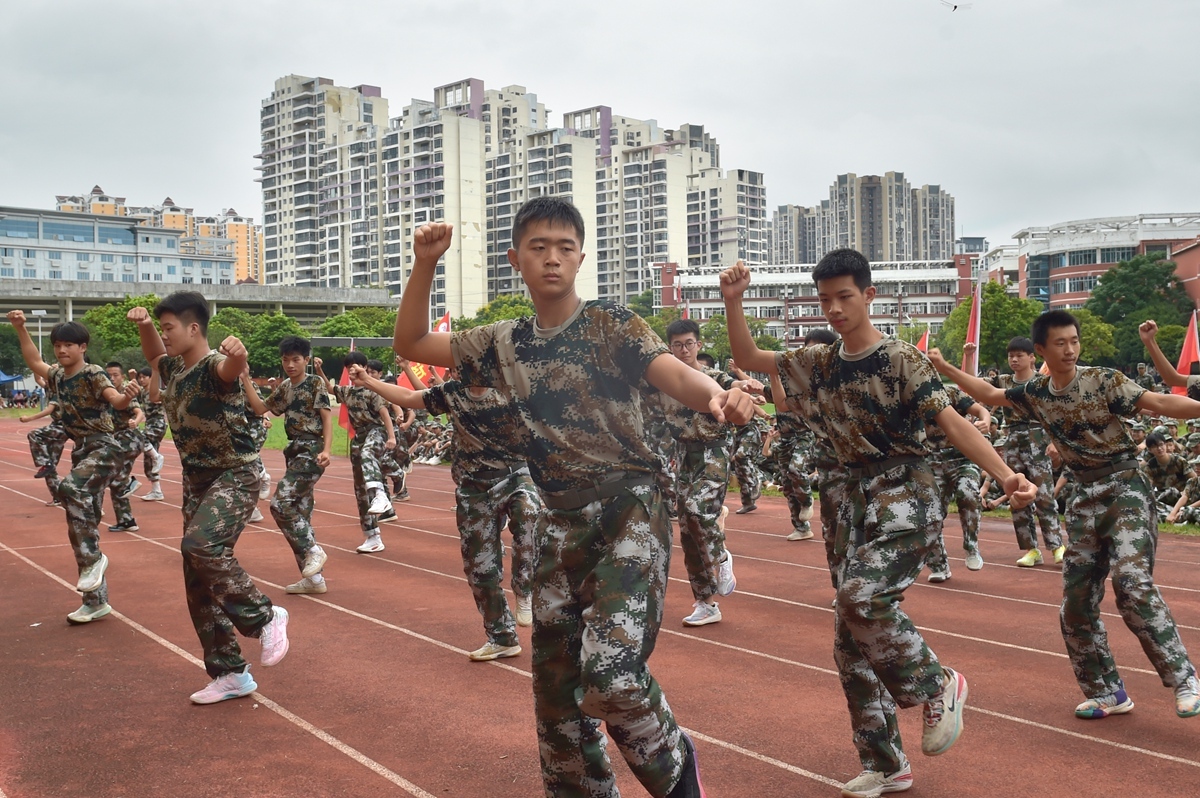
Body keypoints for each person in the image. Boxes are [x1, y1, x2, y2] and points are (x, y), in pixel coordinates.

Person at [394, 197, 753, 798]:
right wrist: (425, 264)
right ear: (515, 259)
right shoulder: (502, 342)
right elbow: (412, 342)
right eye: (538, 248)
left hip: (628, 510)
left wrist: (716, 397)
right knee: (558, 700)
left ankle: (676, 772)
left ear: (582, 257)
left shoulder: (612, 324)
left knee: (611, 677)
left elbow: (675, 374)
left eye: (564, 247)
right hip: (558, 524)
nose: (552, 259)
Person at [720, 251, 1035, 798]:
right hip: (845, 498)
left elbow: (953, 422)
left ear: (868, 296)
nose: (835, 308)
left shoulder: (900, 360)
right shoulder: (817, 361)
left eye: (845, 297)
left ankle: (938, 682)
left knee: (861, 600)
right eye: (825, 300)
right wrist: (733, 300)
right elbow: (748, 354)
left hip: (903, 492)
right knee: (850, 641)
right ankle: (886, 764)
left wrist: (1006, 475)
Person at [930, 310, 1200, 720]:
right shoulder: (1036, 391)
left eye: (1074, 341)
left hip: (1125, 486)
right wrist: (945, 367)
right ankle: (1107, 691)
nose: (1070, 349)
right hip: (1082, 496)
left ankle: (1184, 679)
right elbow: (988, 396)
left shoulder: (1103, 380)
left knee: (1130, 584)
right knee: (1075, 603)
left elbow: (1159, 401)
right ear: (1041, 349)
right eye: (1060, 343)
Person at [128, 292, 290, 705]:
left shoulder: (212, 366)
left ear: (194, 328)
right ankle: (230, 672)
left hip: (235, 472)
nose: (164, 337)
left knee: (201, 545)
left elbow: (231, 368)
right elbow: (153, 355)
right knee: (197, 577)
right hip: (198, 480)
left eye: (169, 329)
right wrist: (147, 324)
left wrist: (239, 352)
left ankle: (265, 616)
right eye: (162, 330)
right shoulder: (173, 368)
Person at [351, 359, 539, 662]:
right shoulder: (451, 393)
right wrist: (368, 381)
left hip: (516, 475)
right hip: (474, 488)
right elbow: (409, 397)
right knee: (481, 570)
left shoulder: (512, 391)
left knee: (529, 515)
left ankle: (525, 587)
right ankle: (501, 637)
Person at [7, 312, 140, 623]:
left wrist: (126, 397)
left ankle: (95, 561)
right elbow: (34, 362)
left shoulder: (93, 373)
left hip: (107, 446)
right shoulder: (57, 376)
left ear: (83, 347)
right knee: (81, 525)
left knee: (69, 488)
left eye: (68, 344)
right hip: (82, 452)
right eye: (57, 345)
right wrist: (20, 328)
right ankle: (95, 600)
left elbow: (115, 400)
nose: (61, 350)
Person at [643, 317, 748, 627]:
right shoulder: (663, 383)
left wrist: (743, 385)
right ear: (669, 348)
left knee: (696, 510)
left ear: (698, 345)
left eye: (689, 343)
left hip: (712, 451)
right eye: (677, 345)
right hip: (680, 456)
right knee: (687, 530)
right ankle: (705, 602)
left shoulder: (713, 376)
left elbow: (732, 386)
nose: (684, 349)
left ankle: (722, 557)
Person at [244, 336, 332, 595]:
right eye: (286, 360)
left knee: (280, 504)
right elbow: (261, 408)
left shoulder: (315, 383)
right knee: (299, 515)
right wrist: (245, 378)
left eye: (296, 359)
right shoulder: (284, 387)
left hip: (311, 450)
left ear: (306, 359)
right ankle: (315, 580)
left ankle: (314, 551)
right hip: (294, 452)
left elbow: (327, 418)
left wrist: (327, 449)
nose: (290, 364)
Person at [972, 338, 1067, 567]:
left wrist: (1056, 442)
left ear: (1032, 357)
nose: (1014, 360)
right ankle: (1030, 549)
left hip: (1038, 438)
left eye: (1020, 355)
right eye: (1011, 356)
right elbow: (975, 386)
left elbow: (1058, 411)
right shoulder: (1003, 381)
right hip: (1013, 439)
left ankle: (1056, 545)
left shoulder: (1044, 382)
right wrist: (969, 356)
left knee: (1043, 494)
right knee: (1017, 494)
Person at [316, 352, 397, 553]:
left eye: (357, 365)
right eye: (349, 366)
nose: (352, 369)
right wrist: (319, 370)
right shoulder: (347, 392)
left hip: (375, 430)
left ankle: (381, 493)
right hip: (358, 437)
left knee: (368, 453)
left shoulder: (372, 391)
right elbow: (329, 388)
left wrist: (391, 436)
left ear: (364, 367)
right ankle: (372, 536)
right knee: (360, 491)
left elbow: (385, 413)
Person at [924, 384, 992, 580]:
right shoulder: (907, 396)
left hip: (962, 458)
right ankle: (939, 565)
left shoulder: (949, 391)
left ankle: (971, 545)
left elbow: (979, 409)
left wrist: (985, 420)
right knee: (930, 513)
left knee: (967, 493)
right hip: (931, 461)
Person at [102, 362, 145, 533]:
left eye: (115, 375)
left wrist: (136, 421)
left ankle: (130, 482)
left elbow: (139, 411)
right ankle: (127, 521)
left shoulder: (125, 393)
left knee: (115, 477)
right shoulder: (106, 394)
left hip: (129, 439)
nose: (112, 378)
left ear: (122, 377)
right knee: (115, 482)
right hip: (119, 441)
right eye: (109, 375)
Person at [21, 395, 68, 506]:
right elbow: (39, 379)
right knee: (49, 467)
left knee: (34, 434)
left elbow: (49, 410)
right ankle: (58, 497)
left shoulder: (59, 389)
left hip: (62, 427)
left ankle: (46, 463)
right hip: (58, 430)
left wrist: (29, 418)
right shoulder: (49, 387)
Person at [135, 365, 168, 501]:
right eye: (140, 378)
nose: (141, 380)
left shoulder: (156, 392)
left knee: (139, 437)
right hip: (150, 424)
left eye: (144, 377)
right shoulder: (143, 392)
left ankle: (157, 457)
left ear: (151, 378)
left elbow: (165, 400)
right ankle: (157, 491)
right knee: (148, 462)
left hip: (158, 424)